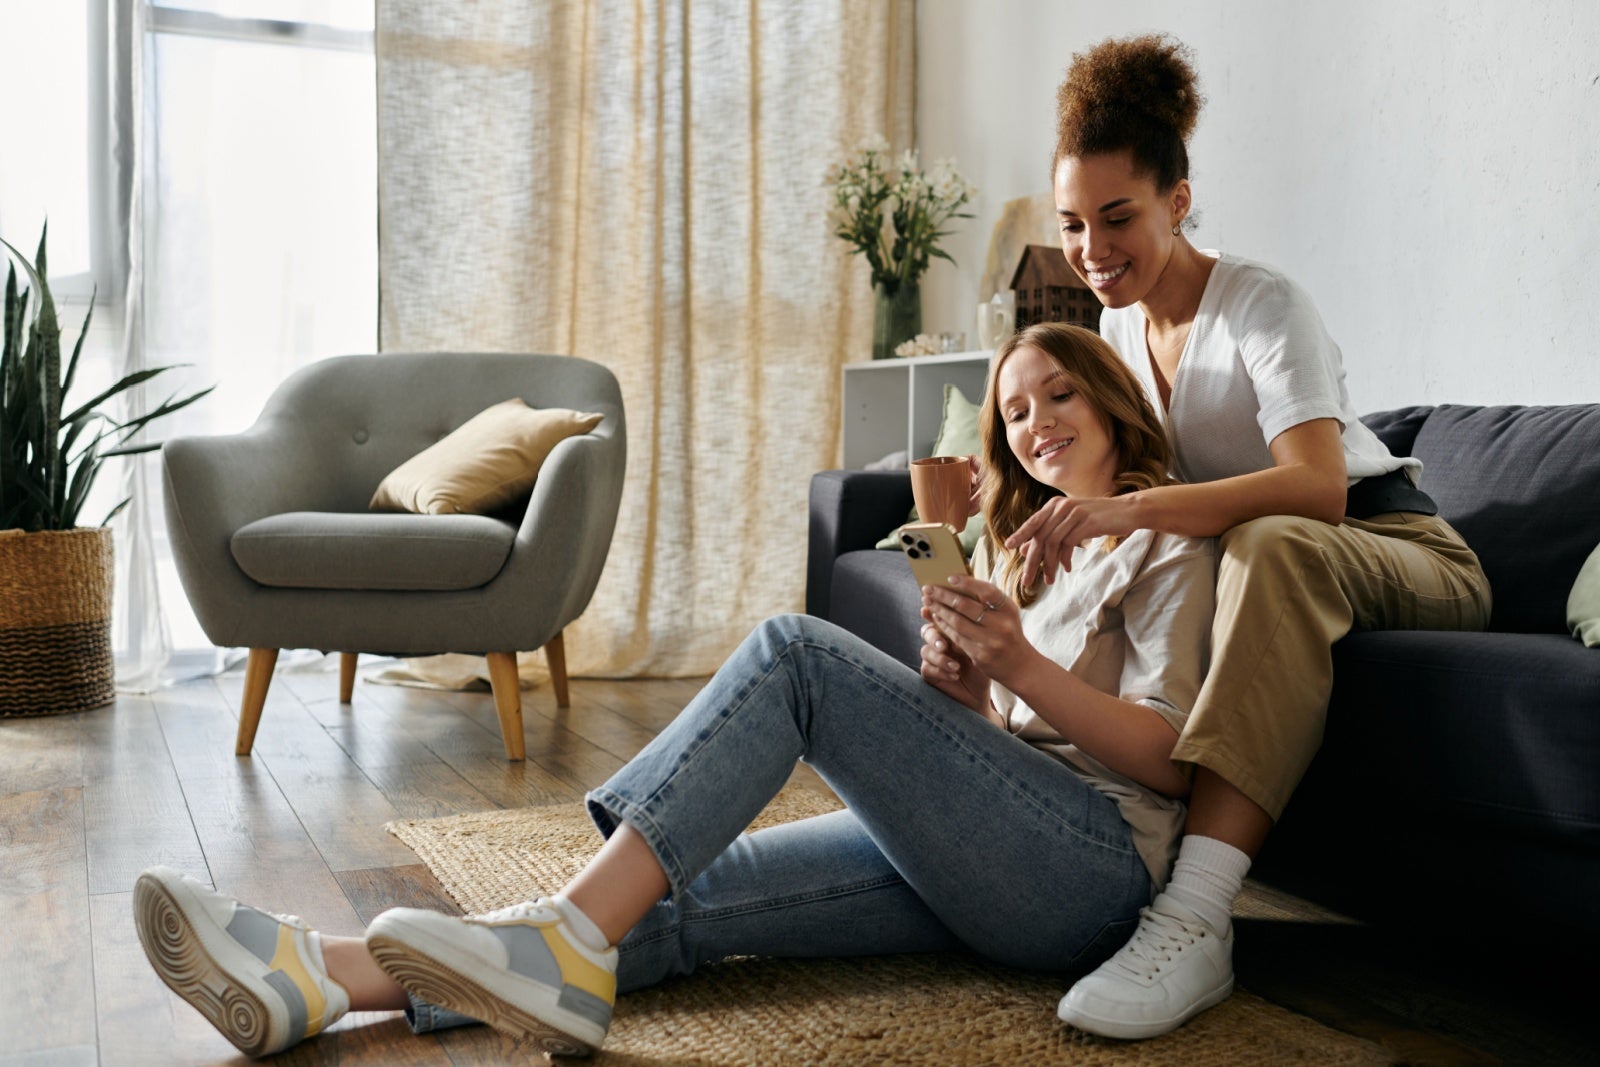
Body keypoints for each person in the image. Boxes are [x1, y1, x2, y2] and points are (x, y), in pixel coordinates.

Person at [132, 322, 1217, 1060]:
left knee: (796, 654)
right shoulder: (1020, 553)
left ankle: (558, 938)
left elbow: (1169, 761)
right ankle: (319, 979)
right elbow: (998, 750)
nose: (1036, 420)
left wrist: (1018, 665)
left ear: (1112, 398)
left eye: (1059, 392)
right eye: (1015, 410)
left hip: (1090, 878)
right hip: (993, 861)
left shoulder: (1166, 539)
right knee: (673, 888)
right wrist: (968, 690)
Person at [1006, 35, 1492, 1040]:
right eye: (1072, 224)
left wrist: (1130, 511)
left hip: (1410, 552)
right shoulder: (1118, 332)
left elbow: (1318, 489)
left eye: (1118, 217)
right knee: (1239, 552)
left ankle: (1195, 914)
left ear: (1178, 201)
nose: (1092, 248)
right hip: (1276, 566)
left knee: (1267, 539)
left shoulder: (1260, 304)